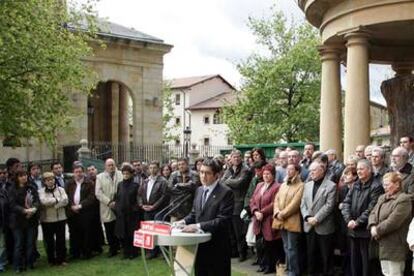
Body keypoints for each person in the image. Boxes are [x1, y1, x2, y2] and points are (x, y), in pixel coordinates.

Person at [176, 158, 234, 276]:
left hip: (217, 248)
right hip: (199, 247)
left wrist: (197, 226)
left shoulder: (226, 193)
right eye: (201, 172)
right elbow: (194, 214)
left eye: (207, 173)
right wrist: (182, 222)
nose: (203, 176)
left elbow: (223, 220)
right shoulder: (199, 190)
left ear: (216, 175)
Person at [341, 159, 384, 276]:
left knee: (366, 262)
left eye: (361, 169)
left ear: (369, 170)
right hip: (352, 229)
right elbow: (346, 203)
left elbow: (372, 208)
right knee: (354, 261)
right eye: (358, 169)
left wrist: (358, 222)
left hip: (365, 231)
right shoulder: (356, 184)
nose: (358, 171)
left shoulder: (376, 186)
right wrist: (348, 219)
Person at [369, 172, 412, 276]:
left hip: (395, 246)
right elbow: (373, 213)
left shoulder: (403, 199)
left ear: (397, 184)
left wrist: (377, 230)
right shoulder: (382, 197)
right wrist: (372, 225)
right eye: (384, 184)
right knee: (386, 272)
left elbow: (393, 222)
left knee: (395, 273)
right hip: (381, 244)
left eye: (387, 184)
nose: (385, 187)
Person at [300, 159, 336, 276]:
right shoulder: (307, 185)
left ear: (322, 170)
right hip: (309, 226)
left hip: (324, 227)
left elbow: (329, 205)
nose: (311, 173)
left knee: (326, 256)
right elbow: (303, 204)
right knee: (311, 255)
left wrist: (316, 218)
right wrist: (307, 217)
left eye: (314, 170)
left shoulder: (331, 186)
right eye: (310, 171)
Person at [221, 150, 253, 262]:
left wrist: (229, 181)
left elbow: (240, 183)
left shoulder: (246, 169)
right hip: (229, 203)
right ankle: (233, 251)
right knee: (231, 231)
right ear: (231, 158)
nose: (236, 158)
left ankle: (242, 253)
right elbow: (221, 181)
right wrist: (231, 181)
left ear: (241, 158)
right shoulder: (229, 170)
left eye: (238, 156)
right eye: (234, 157)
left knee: (239, 231)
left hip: (239, 203)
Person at [250, 164, 282, 274]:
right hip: (258, 220)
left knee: (270, 245)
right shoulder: (259, 185)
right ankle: (262, 265)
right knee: (259, 244)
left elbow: (274, 203)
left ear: (273, 175)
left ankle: (270, 266)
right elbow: (252, 200)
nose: (265, 176)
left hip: (268, 220)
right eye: (264, 174)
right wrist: (255, 211)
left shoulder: (277, 186)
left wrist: (262, 212)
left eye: (268, 174)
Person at [273, 164, 304, 276]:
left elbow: (295, 204)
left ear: (297, 171)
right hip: (281, 220)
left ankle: (294, 272)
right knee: (286, 247)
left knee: (292, 248)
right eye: (288, 169)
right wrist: (277, 212)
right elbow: (276, 199)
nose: (289, 171)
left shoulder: (301, 185)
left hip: (292, 220)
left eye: (291, 169)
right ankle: (288, 269)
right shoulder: (283, 184)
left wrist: (283, 214)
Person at [8, 169, 40, 272]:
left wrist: (34, 209)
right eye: (21, 176)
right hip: (17, 221)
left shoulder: (31, 187)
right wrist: (24, 211)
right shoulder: (12, 189)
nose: (24, 177)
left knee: (30, 243)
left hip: (31, 220)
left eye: (25, 175)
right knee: (19, 244)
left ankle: (30, 263)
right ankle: (17, 265)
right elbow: (12, 205)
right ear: (17, 178)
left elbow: (37, 200)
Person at [138, 161, 168, 259]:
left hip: (158, 210)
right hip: (146, 209)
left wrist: (154, 206)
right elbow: (139, 194)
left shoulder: (163, 181)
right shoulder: (145, 181)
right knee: (149, 231)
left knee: (159, 231)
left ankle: (161, 252)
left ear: (158, 169)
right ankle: (151, 252)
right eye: (150, 168)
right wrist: (142, 205)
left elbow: (164, 196)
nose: (152, 170)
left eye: (154, 167)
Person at [65, 164, 96, 260]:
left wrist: (80, 206)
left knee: (86, 233)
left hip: (85, 212)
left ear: (83, 172)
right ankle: (75, 253)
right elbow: (66, 196)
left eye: (80, 172)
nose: (78, 174)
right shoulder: (69, 183)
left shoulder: (89, 183)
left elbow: (91, 198)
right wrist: (72, 206)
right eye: (76, 172)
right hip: (72, 212)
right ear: (73, 173)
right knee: (74, 233)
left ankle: (86, 253)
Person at [38, 172, 68, 266]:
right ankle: (51, 260)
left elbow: (66, 200)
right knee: (49, 241)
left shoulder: (61, 189)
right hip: (47, 220)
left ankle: (61, 259)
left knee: (61, 240)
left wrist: (56, 205)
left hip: (60, 218)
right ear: (44, 182)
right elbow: (44, 201)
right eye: (48, 180)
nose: (51, 181)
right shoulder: (41, 191)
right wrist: (57, 200)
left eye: (52, 179)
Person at [95, 158, 122, 257]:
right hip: (107, 206)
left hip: (119, 205)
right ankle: (112, 249)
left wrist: (118, 202)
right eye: (109, 165)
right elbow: (98, 193)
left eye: (112, 165)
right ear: (105, 167)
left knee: (119, 227)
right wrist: (109, 202)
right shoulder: (99, 177)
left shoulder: (120, 174)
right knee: (109, 228)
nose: (111, 167)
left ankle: (120, 246)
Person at [115, 164, 140, 260]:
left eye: (127, 173)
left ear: (131, 174)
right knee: (123, 233)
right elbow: (118, 197)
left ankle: (133, 252)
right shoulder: (120, 185)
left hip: (132, 214)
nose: (125, 175)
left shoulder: (135, 185)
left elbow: (138, 199)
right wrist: (118, 208)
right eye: (124, 173)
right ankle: (125, 252)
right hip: (122, 214)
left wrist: (134, 209)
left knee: (131, 234)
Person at [86, 164, 104, 255]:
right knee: (94, 225)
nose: (91, 171)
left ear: (96, 170)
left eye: (92, 169)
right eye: (89, 170)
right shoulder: (87, 182)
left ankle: (101, 241)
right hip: (92, 207)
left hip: (101, 204)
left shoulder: (100, 179)